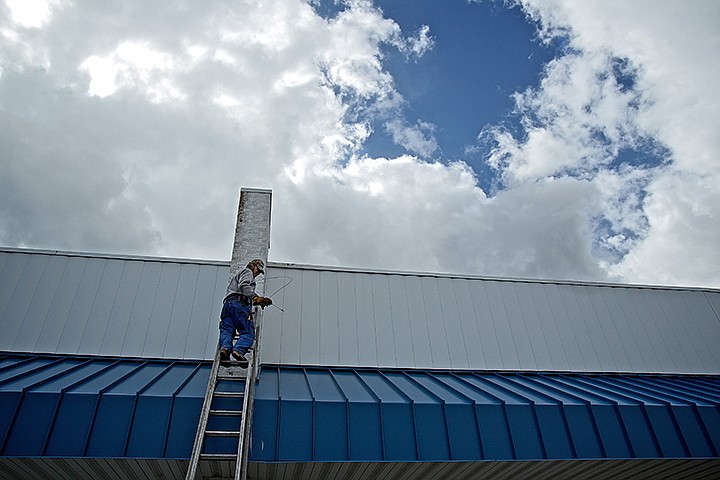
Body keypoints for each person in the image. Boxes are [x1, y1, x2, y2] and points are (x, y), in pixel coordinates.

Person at [219, 258, 272, 366]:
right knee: (248, 332)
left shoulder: (239, 275)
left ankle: (225, 349)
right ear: (254, 266)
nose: (257, 274)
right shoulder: (248, 272)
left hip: (228, 305)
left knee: (227, 330)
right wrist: (256, 297)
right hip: (240, 305)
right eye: (258, 270)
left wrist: (259, 302)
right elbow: (244, 286)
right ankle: (238, 350)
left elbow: (240, 292)